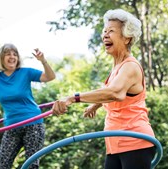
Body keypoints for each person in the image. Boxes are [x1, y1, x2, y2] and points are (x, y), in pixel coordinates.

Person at [51, 9, 156, 169]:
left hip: (135, 140)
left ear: (127, 38)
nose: (105, 35)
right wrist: (95, 105)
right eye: (104, 31)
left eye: (111, 31)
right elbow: (109, 90)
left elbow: (115, 92)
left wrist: (73, 98)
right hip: (115, 143)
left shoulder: (130, 66)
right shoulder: (117, 68)